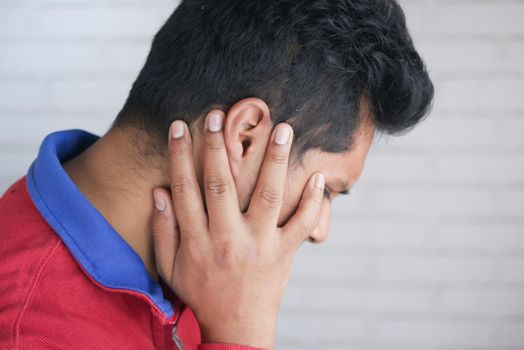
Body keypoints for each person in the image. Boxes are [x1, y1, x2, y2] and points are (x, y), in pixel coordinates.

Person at [0, 0, 433, 349]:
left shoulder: (203, 261)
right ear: (245, 137)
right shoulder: (32, 329)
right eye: (326, 191)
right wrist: (241, 333)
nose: (319, 229)